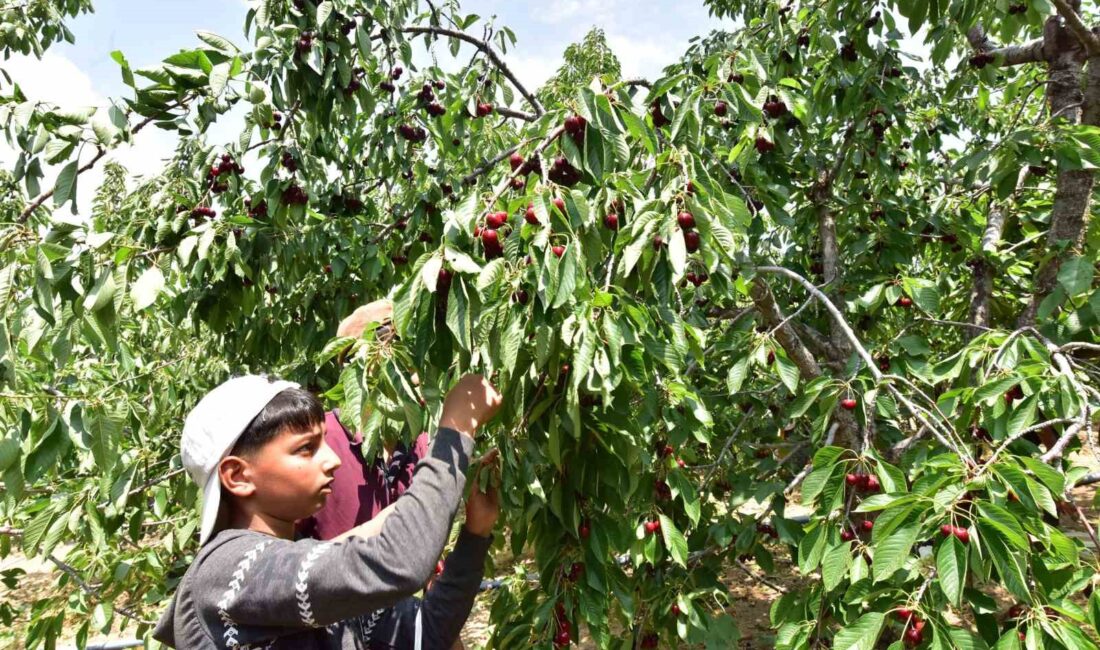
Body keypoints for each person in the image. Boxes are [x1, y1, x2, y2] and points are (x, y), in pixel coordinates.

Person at [152, 373, 502, 649]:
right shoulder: (226, 572)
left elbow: (428, 632)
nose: (332, 459)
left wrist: (475, 534)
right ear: (238, 476)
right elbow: (399, 563)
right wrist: (455, 430)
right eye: (306, 448)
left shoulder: (305, 574)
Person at [296, 299, 430, 542]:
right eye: (401, 364)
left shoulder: (418, 440)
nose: (416, 377)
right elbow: (282, 559)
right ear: (363, 366)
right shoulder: (317, 444)